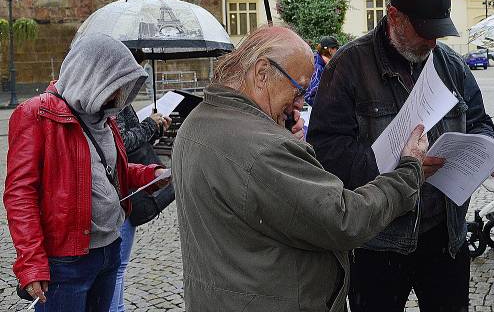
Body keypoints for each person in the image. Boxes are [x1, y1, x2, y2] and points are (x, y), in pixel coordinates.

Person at [171, 25, 429, 312]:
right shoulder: (264, 149)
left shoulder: (198, 121)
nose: (300, 103)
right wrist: (408, 171)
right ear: (261, 73)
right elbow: (344, 218)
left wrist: (277, 131)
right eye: (298, 90)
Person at [307, 0, 494, 312]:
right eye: (424, 31)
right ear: (394, 16)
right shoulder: (348, 66)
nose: (432, 42)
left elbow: (478, 122)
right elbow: (326, 150)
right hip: (378, 238)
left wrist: (490, 147)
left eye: (438, 32)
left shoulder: (452, 66)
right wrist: (403, 167)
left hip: (445, 235)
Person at [3, 34, 169, 311]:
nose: (120, 96)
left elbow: (107, 171)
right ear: (94, 76)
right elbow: (20, 195)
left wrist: (150, 175)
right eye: (116, 86)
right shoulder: (36, 114)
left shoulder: (105, 117)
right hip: (66, 261)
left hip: (110, 248)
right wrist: (31, 263)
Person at [110, 89, 174, 312]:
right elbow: (120, 144)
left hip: (125, 188)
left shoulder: (118, 97)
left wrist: (155, 128)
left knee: (118, 267)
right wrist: (149, 124)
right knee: (117, 268)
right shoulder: (111, 98)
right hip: (119, 193)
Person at [304, 35, 340, 106]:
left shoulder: (324, 64)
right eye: (336, 49)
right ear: (330, 50)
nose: (338, 52)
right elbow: (309, 96)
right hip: (321, 111)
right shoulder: (317, 68)